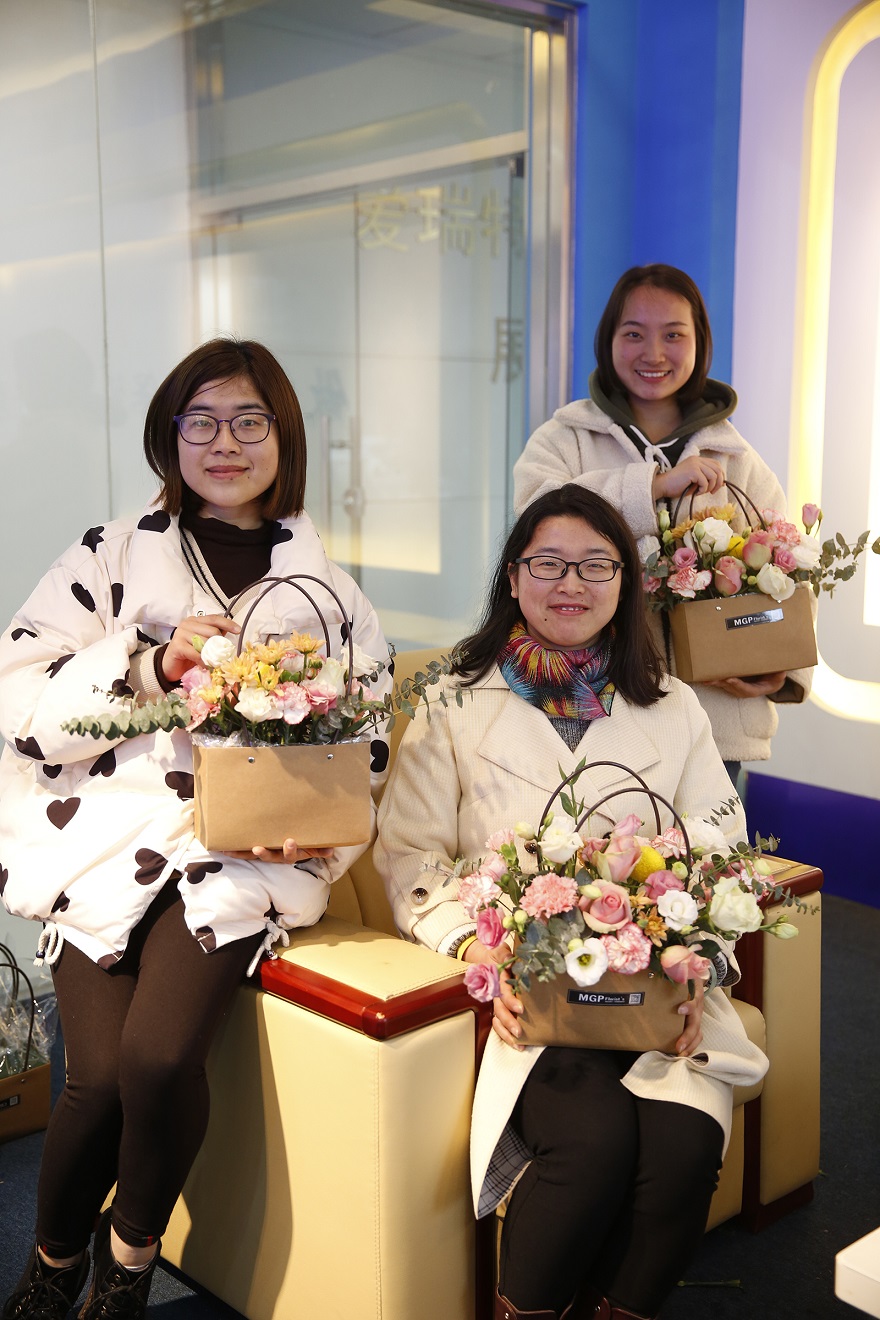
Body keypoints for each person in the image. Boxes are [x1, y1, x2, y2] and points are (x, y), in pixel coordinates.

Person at [0, 339, 391, 1320]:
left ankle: (127, 1263)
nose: (225, 442)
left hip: (242, 858)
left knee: (159, 1058)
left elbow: (371, 744)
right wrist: (145, 665)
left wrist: (318, 837)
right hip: (106, 840)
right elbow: (18, 700)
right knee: (94, 1082)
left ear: (283, 436)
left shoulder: (329, 593)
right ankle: (52, 1263)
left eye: (249, 420)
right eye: (202, 420)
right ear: (168, 437)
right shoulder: (109, 555)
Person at [374, 485, 768, 1320]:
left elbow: (721, 851)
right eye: (548, 563)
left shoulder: (674, 705)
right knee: (591, 1141)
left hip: (654, 990)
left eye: (596, 565)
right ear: (513, 578)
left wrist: (696, 962)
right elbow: (411, 854)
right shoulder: (455, 700)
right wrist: (478, 949)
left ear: (625, 583)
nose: (571, 584)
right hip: (532, 996)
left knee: (684, 1144)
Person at [513, 263, 813, 788]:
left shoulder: (737, 459)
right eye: (634, 334)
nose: (653, 354)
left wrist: (781, 668)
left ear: (700, 343)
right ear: (608, 340)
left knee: (709, 844)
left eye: (674, 335)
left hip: (715, 729)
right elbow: (533, 524)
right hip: (588, 719)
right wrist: (650, 487)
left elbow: (791, 575)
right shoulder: (564, 439)